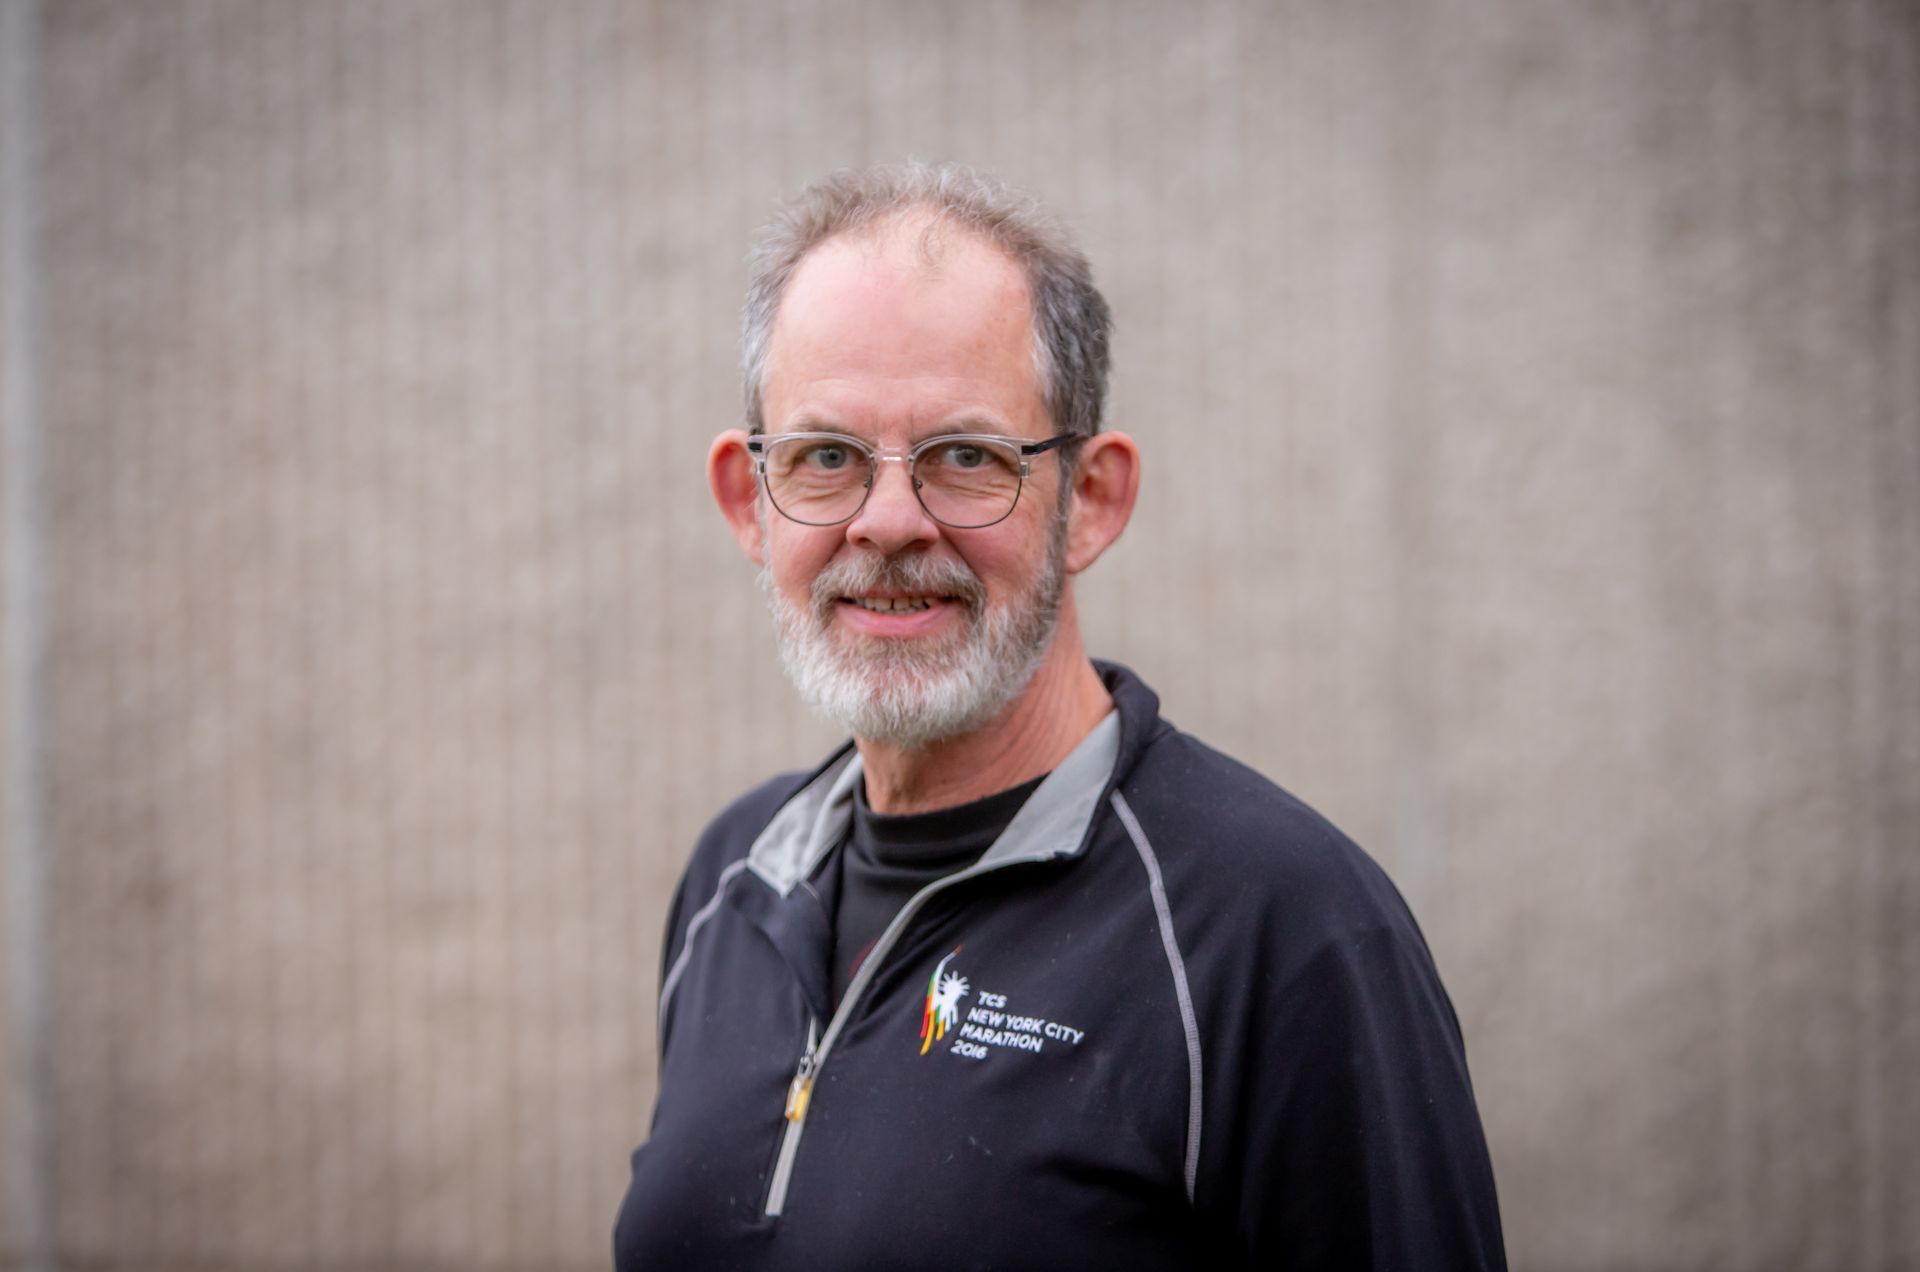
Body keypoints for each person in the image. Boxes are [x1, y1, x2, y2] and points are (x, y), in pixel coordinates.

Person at [613, 161, 1505, 1270]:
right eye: (828, 458)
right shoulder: (733, 882)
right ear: (750, 500)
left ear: (1091, 500)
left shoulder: (1283, 931)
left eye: (967, 458)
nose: (888, 522)